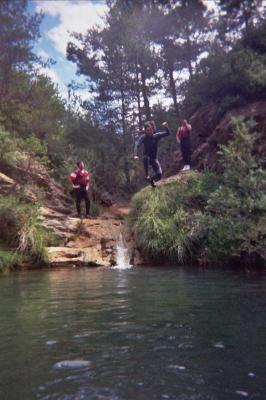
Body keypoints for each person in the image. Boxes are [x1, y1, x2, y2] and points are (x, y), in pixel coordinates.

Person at [134, 120, 170, 187]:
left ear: (153, 129)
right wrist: (135, 155)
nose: (150, 132)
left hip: (154, 158)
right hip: (146, 157)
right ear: (145, 131)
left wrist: (166, 127)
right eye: (147, 130)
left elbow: (168, 133)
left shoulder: (157, 136)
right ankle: (147, 175)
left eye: (151, 130)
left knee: (159, 174)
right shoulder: (143, 137)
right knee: (145, 157)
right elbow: (137, 145)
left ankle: (152, 180)